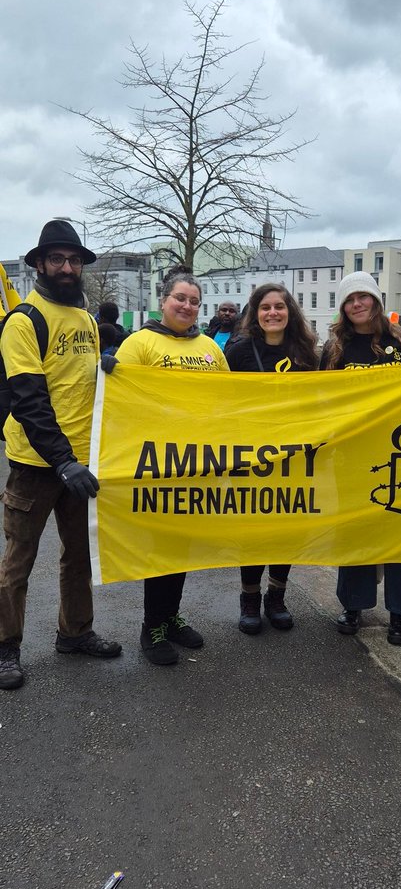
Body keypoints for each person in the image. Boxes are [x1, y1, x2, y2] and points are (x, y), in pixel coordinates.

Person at [0, 219, 122, 691]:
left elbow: (79, 382)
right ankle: (6, 647)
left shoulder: (87, 319)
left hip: (82, 463)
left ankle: (75, 633)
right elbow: (29, 399)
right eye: (57, 259)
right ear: (38, 265)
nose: (67, 267)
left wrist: (105, 368)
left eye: (73, 260)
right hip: (37, 464)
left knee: (79, 555)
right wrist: (62, 461)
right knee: (18, 560)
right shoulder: (24, 320)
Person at [112, 268, 229, 666]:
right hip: (158, 463)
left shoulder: (211, 349)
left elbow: (228, 399)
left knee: (182, 545)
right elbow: (119, 401)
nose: (187, 306)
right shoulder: (139, 343)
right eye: (180, 298)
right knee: (160, 547)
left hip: (197, 462)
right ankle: (152, 627)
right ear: (163, 301)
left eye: (194, 301)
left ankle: (171, 616)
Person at [320, 272, 401, 644]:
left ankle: (400, 612)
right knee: (355, 530)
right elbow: (319, 400)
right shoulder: (333, 349)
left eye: (363, 297)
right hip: (351, 454)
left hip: (400, 451)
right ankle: (354, 604)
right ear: (343, 307)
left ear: (376, 301)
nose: (357, 304)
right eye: (350, 300)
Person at [226, 283, 318, 634]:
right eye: (265, 307)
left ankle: (276, 597)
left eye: (279, 306)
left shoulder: (307, 352)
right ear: (255, 313)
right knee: (255, 531)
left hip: (295, 455)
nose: (273, 313)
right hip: (252, 456)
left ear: (289, 311)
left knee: (288, 529)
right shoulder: (239, 352)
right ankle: (249, 598)